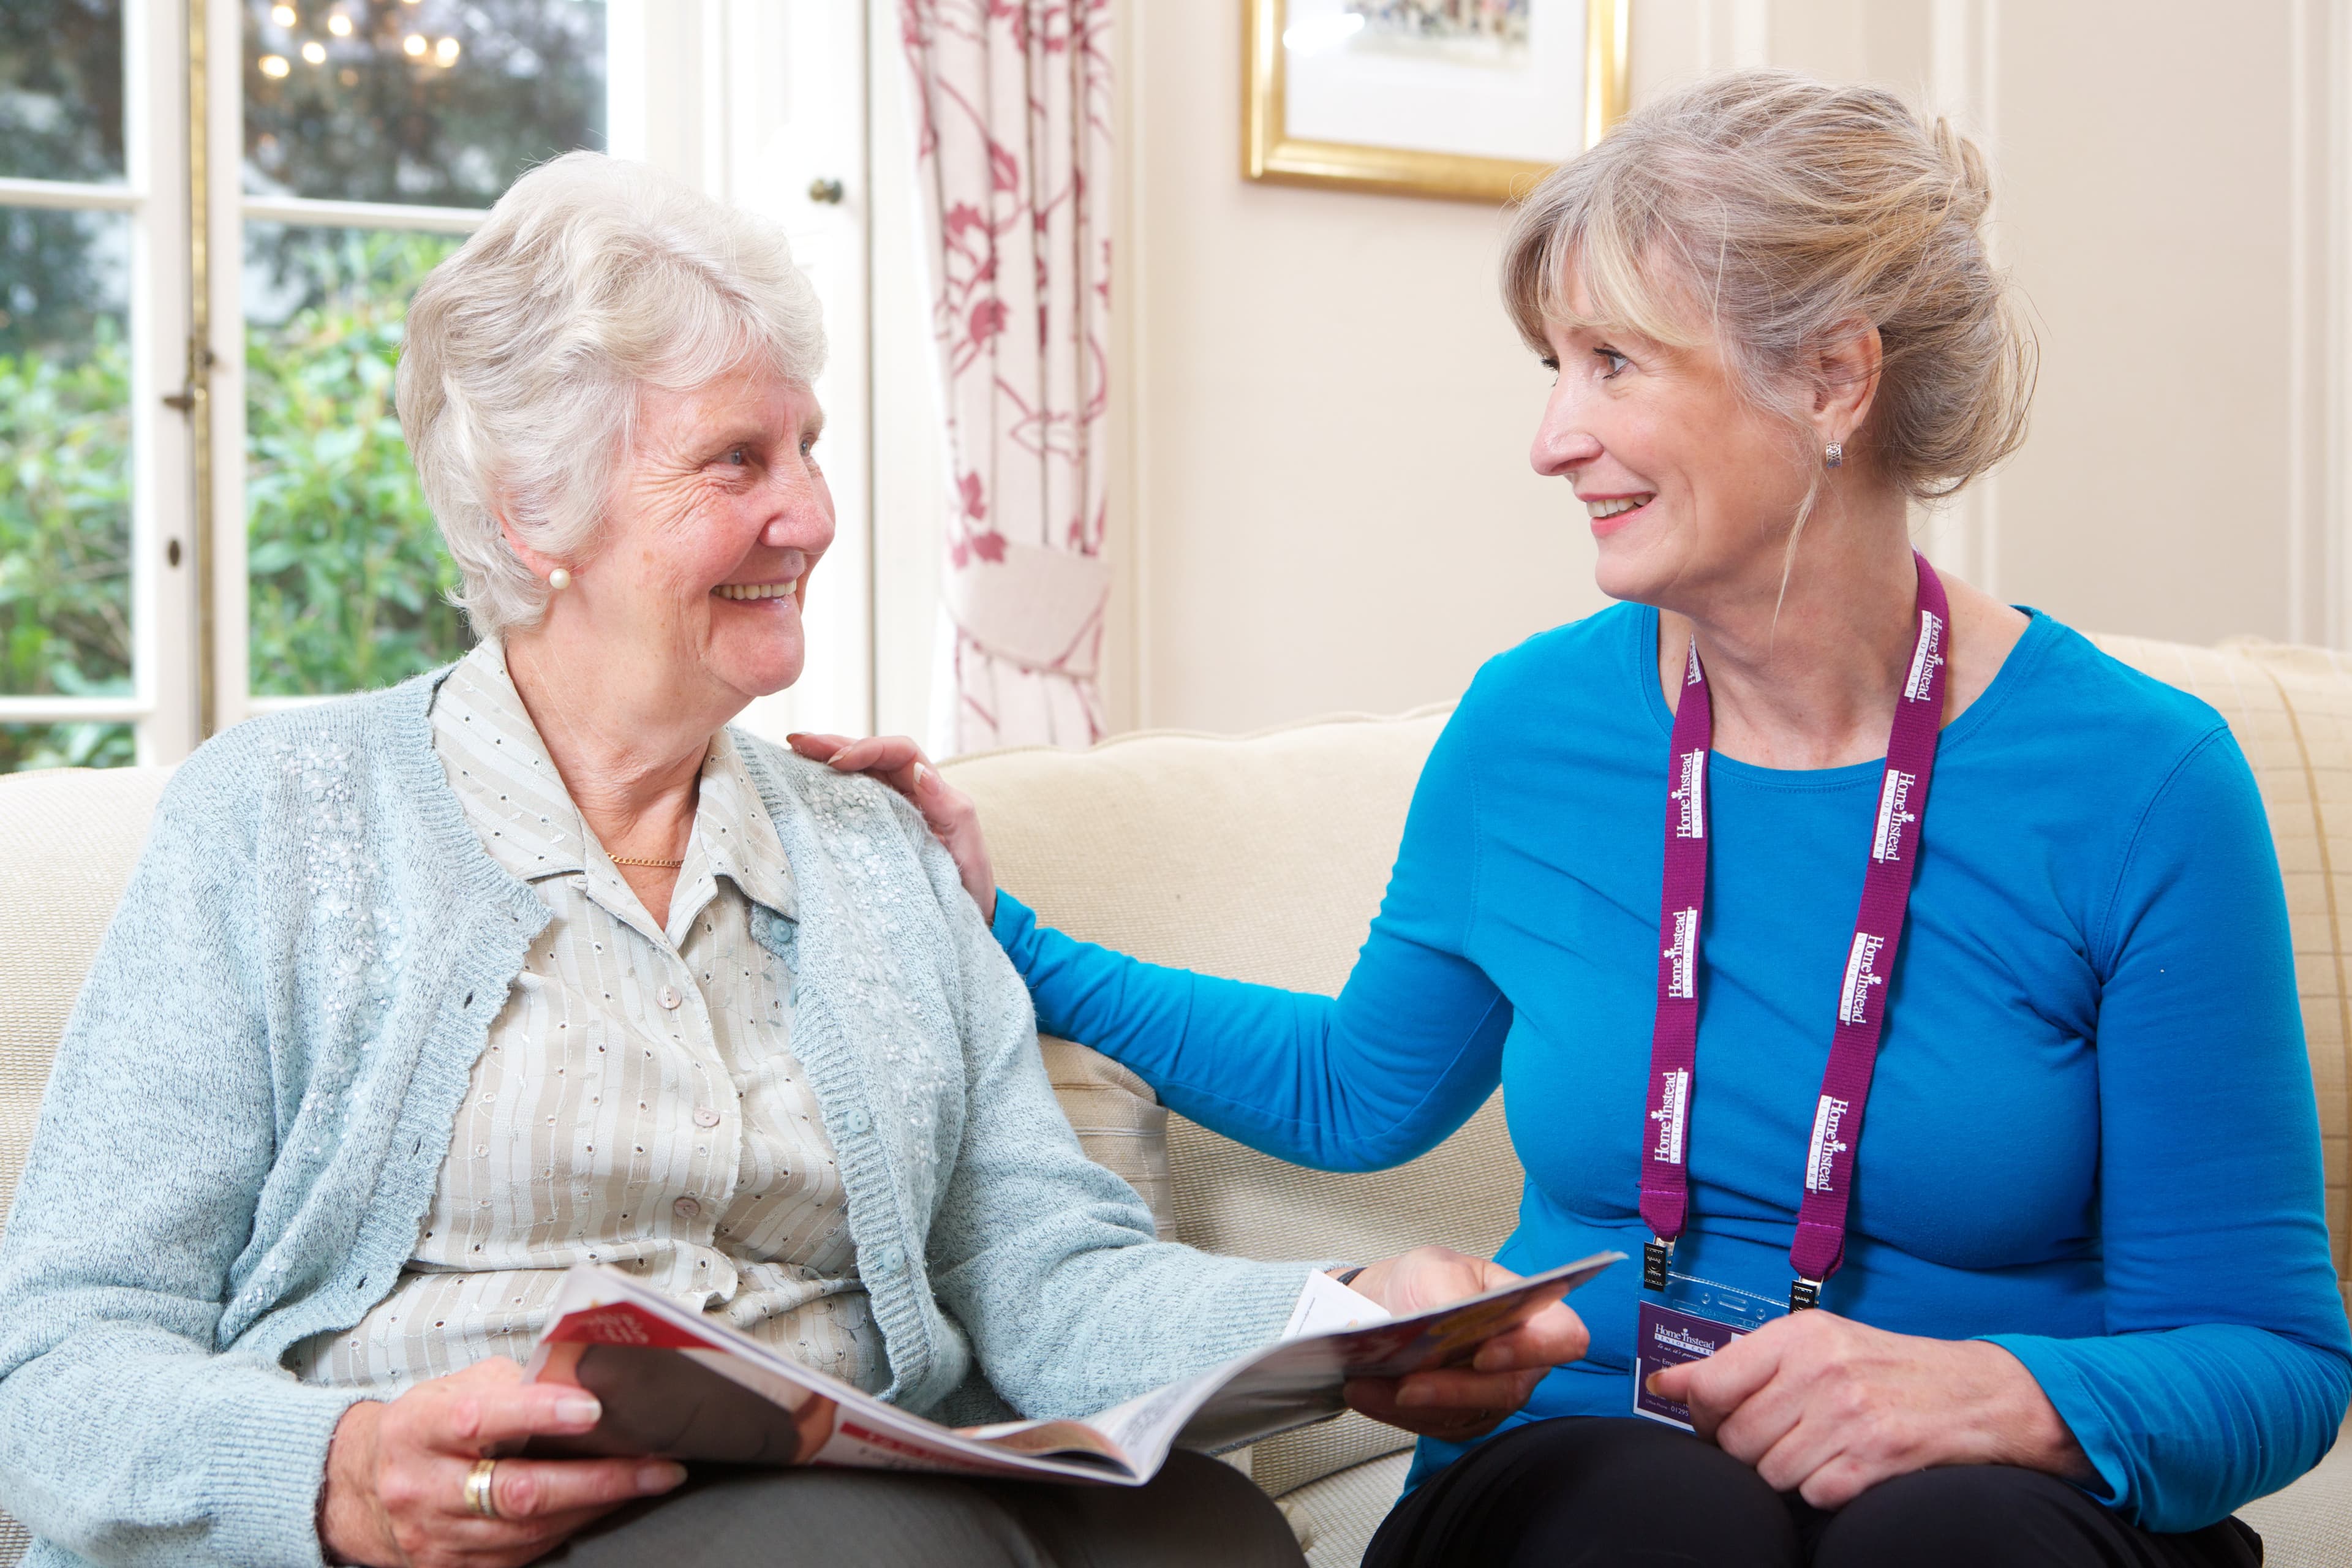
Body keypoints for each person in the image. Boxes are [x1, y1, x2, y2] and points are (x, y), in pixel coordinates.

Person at [796, 71, 2352, 1568]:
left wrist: (2018, 1396)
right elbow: (1358, 1087)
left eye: (1614, 363)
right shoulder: (1536, 725)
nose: (1553, 436)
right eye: (1556, 366)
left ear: (1831, 378)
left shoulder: (2143, 779)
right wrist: (991, 928)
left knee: (1949, 1535)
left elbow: (2271, 1352)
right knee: (1662, 1522)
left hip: (1983, 1485)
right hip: (1589, 1453)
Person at [0, 152, 1589, 1568]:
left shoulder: (865, 853)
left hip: (824, 1483)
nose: (814, 514)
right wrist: (330, 1475)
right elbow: (57, 1358)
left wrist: (1336, 1319)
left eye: (810, 447)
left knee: (1204, 1532)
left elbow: (1037, 1267)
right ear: (529, 507)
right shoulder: (283, 819)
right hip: (492, 1523)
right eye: (737, 463)